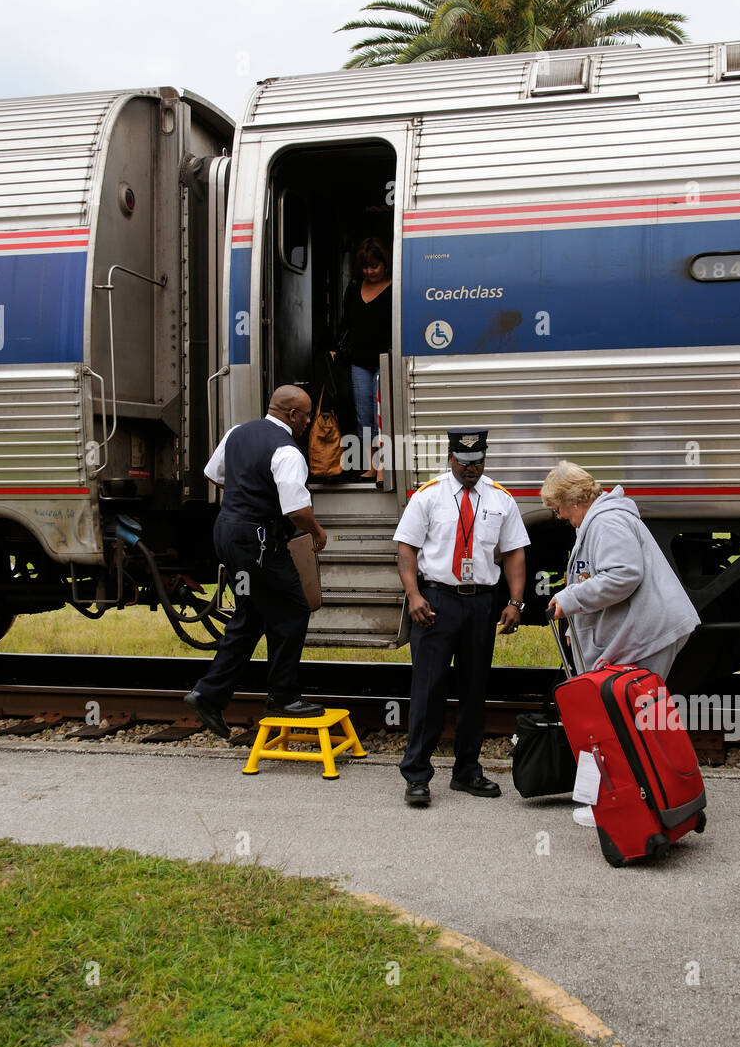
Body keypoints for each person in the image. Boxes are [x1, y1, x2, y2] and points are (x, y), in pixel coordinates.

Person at [542, 460, 700, 825]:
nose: (558, 514)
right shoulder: (602, 519)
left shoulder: (606, 521)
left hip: (649, 633)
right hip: (647, 630)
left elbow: (623, 576)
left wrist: (570, 599)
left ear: (574, 499)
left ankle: (627, 805)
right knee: (630, 720)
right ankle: (635, 799)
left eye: (558, 506)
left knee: (622, 722)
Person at [393, 428, 530, 806]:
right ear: (450, 458)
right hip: (436, 601)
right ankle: (417, 775)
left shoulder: (501, 499)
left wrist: (515, 602)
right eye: (464, 463)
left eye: (478, 463)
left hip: (481, 603)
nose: (471, 469)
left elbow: (515, 552)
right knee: (428, 689)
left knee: (474, 690)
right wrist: (414, 595)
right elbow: (406, 550)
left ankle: (467, 771)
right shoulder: (428, 496)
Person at [185, 386, 328, 739]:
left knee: (251, 613)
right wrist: (317, 532)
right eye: (307, 415)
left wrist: (247, 488)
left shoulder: (237, 432)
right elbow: (296, 509)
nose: (309, 421)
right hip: (257, 542)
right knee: (294, 608)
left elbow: (213, 474)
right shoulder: (287, 450)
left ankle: (209, 694)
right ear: (292, 415)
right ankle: (283, 696)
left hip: (228, 533)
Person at [338, 237, 392, 478]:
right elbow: (345, 323)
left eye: (374, 266)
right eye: (365, 267)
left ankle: (383, 467)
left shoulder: (395, 286)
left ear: (385, 264)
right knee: (364, 416)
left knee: (383, 414)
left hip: (385, 359)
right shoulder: (354, 287)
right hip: (359, 360)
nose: (370, 272)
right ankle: (371, 466)